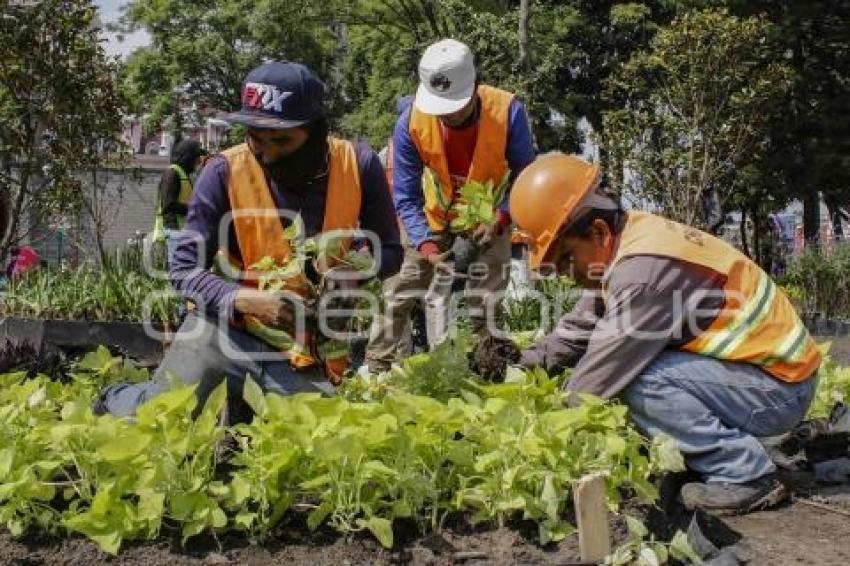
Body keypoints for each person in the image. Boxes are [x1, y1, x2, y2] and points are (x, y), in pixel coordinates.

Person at [510, 153, 821, 515]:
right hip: (761, 376)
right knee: (636, 369)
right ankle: (719, 452)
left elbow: (596, 380)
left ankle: (745, 473)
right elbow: (580, 328)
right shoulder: (628, 244)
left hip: (779, 390)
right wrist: (520, 364)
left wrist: (535, 426)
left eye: (565, 259)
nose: (565, 273)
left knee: (637, 380)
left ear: (597, 232)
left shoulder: (643, 274)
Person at [97, 61, 403, 417]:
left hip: (301, 348)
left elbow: (391, 250)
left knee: (318, 443)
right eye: (256, 139)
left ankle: (239, 403)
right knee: (159, 418)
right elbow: (182, 270)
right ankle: (115, 397)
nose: (267, 153)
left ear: (317, 133)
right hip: (221, 331)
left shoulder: (359, 166)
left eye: (282, 141)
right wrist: (246, 300)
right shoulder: (223, 171)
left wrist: (357, 271)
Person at [365, 39, 536, 372]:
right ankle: (375, 370)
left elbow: (525, 177)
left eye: (455, 105)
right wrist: (427, 247)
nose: (448, 114)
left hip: (490, 218)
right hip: (431, 219)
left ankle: (492, 371)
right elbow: (405, 195)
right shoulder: (410, 123)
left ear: (474, 88)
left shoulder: (508, 111)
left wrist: (501, 216)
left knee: (487, 299)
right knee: (399, 292)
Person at [152, 139, 208, 264]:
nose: (199, 161)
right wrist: (194, 208)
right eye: (196, 157)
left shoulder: (184, 175)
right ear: (188, 157)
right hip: (174, 230)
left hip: (183, 230)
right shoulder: (172, 173)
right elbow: (168, 205)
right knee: (178, 269)